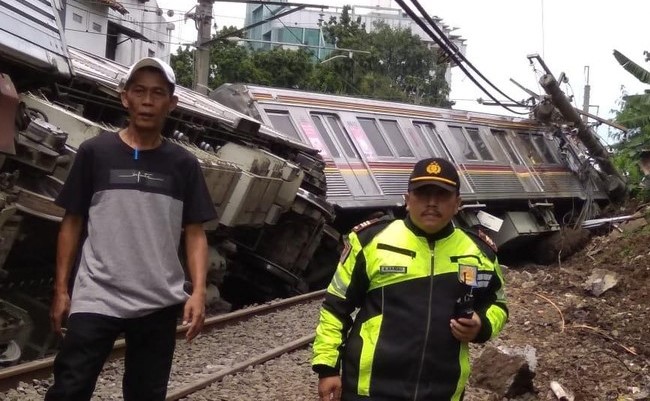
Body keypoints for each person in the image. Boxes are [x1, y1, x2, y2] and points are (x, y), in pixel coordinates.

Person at [45, 57, 217, 401]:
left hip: (157, 299)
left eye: (157, 93)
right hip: (97, 293)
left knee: (145, 393)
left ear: (172, 102)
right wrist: (62, 289)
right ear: (125, 97)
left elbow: (195, 232)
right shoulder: (95, 152)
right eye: (139, 91)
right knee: (69, 388)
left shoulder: (183, 164)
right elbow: (72, 222)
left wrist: (197, 291)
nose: (148, 101)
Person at [312, 157, 508, 401]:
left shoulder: (479, 252)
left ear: (458, 203)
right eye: (423, 193)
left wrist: (482, 325)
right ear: (407, 199)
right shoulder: (370, 241)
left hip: (442, 391)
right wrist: (327, 368)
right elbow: (335, 307)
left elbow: (497, 304)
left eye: (442, 195)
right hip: (369, 390)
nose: (432, 202)